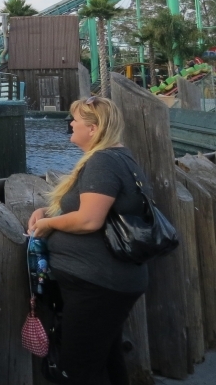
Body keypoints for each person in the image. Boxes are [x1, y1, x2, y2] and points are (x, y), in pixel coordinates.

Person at [28, 97, 149, 385]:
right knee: (106, 361)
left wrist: (48, 225)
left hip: (97, 284)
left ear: (93, 129)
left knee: (77, 370)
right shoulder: (118, 158)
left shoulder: (103, 161)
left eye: (76, 120)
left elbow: (89, 220)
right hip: (104, 282)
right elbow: (98, 210)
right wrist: (49, 212)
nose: (70, 124)